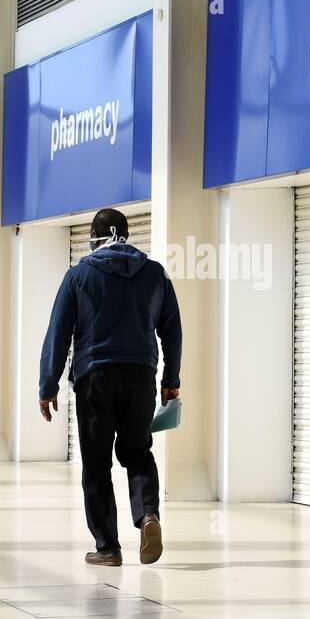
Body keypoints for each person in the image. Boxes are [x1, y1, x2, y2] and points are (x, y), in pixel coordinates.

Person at [38, 208, 182, 567]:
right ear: (125, 234)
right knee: (137, 451)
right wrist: (170, 382)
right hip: (140, 377)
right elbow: (173, 332)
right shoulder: (155, 274)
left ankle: (108, 548)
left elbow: (58, 334)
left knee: (97, 463)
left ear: (95, 236)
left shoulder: (79, 275)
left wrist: (47, 385)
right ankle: (148, 515)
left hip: (94, 379)